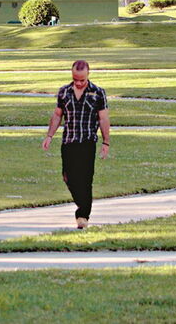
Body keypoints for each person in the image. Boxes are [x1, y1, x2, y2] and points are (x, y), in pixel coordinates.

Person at [42, 60, 110, 230]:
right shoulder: (64, 92)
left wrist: (106, 142)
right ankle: (82, 203)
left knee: (85, 179)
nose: (78, 83)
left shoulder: (98, 93)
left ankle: (83, 215)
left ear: (88, 75)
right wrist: (49, 135)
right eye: (75, 79)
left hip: (87, 141)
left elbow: (103, 118)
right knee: (68, 177)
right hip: (69, 141)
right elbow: (57, 115)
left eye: (82, 80)